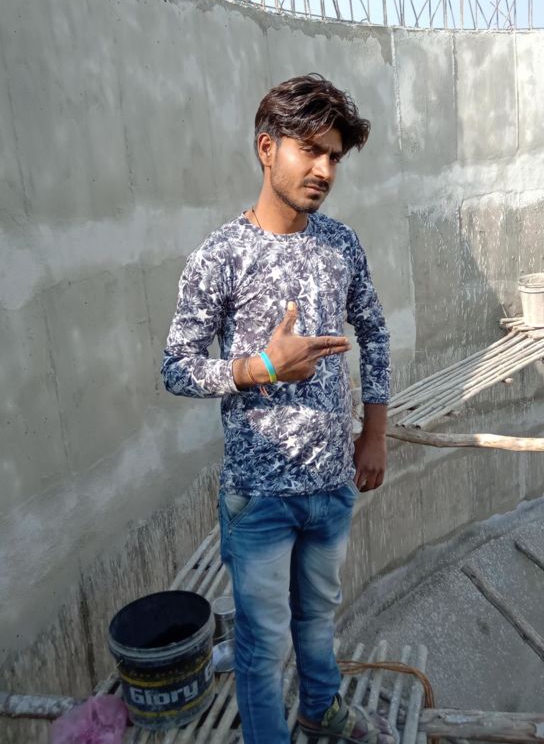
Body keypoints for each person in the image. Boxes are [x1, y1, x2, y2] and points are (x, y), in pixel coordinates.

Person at [162, 74, 394, 744]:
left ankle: (321, 708)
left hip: (332, 485)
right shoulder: (220, 256)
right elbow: (176, 366)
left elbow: (375, 332)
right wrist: (260, 367)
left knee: (317, 617)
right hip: (259, 496)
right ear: (267, 149)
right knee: (263, 645)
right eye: (310, 150)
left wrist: (375, 431)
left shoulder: (340, 245)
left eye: (334, 157)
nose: (324, 170)